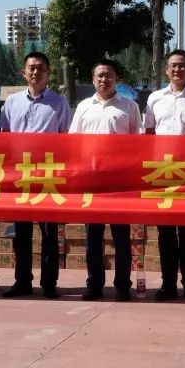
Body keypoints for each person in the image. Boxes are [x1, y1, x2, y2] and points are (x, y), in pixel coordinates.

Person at [0, 51, 71, 299]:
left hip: (49, 174)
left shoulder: (59, 103)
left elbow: (66, 141)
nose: (35, 72)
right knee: (21, 233)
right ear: (23, 72)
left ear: (48, 73)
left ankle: (49, 283)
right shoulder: (11, 102)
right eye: (31, 68)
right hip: (20, 175)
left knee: (50, 234)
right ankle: (22, 282)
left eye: (41, 68)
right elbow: (4, 138)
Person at [69, 59, 141, 301]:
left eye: (109, 75)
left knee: (122, 237)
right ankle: (94, 284)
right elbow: (73, 142)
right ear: (93, 79)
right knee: (93, 238)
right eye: (100, 75)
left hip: (119, 182)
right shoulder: (83, 107)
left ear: (116, 78)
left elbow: (138, 143)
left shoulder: (129, 106)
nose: (104, 79)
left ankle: (122, 285)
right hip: (91, 182)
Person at [143, 49, 185, 302]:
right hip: (162, 173)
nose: (177, 70)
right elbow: (149, 135)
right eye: (173, 66)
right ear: (166, 70)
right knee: (165, 233)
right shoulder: (154, 99)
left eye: (182, 66)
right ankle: (168, 283)